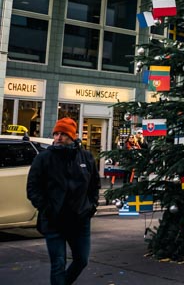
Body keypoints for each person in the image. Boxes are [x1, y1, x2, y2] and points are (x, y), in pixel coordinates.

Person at [27, 117, 100, 285]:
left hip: (80, 220)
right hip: (54, 220)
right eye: (56, 134)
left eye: (63, 134)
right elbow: (33, 188)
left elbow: (94, 185)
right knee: (58, 264)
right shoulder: (44, 158)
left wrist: (91, 206)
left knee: (82, 260)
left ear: (72, 137)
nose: (59, 137)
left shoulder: (86, 158)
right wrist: (46, 208)